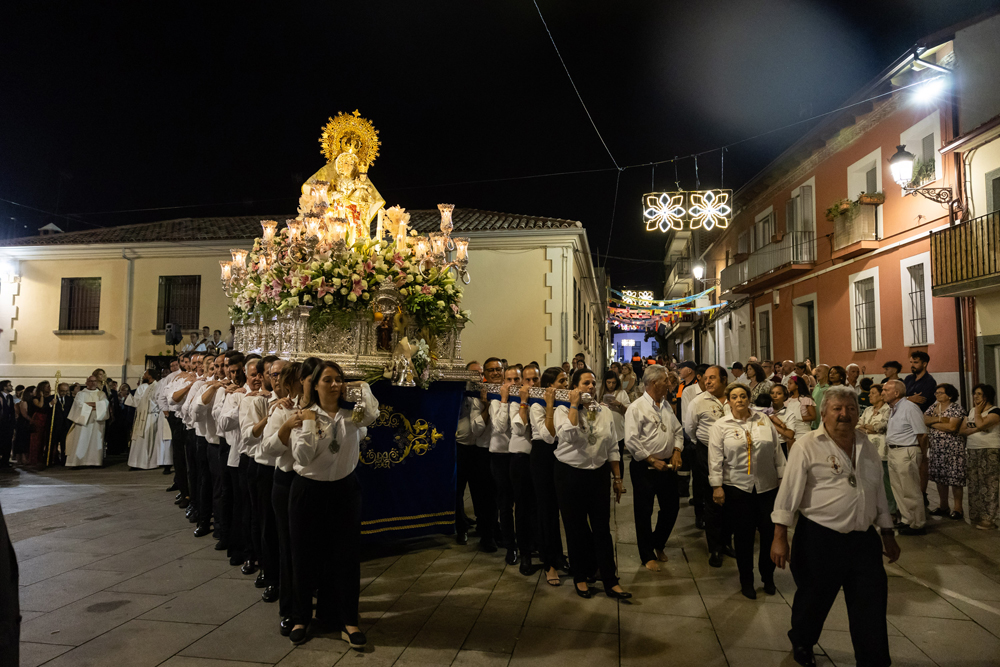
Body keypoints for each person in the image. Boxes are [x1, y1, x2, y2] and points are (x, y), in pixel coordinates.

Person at [771, 385, 899, 667]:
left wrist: (887, 532)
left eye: (850, 409)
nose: (844, 414)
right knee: (813, 598)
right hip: (819, 538)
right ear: (824, 414)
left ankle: (873, 659)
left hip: (863, 540)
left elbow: (877, 491)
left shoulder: (866, 444)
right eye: (837, 409)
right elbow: (788, 492)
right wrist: (780, 535)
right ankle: (803, 640)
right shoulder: (807, 445)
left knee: (871, 604)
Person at [287, 360, 379, 647]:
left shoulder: (353, 415)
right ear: (315, 385)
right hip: (308, 491)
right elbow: (302, 458)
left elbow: (372, 415)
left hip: (344, 491)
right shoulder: (305, 415)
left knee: (346, 557)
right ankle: (301, 617)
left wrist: (361, 387)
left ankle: (348, 620)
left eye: (339, 379)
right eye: (328, 380)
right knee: (304, 555)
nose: (335, 384)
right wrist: (310, 423)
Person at [553, 368, 631, 600]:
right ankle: (580, 576)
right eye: (585, 383)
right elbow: (570, 435)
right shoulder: (562, 410)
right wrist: (575, 406)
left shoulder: (604, 412)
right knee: (575, 528)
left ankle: (610, 580)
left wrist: (617, 478)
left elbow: (612, 447)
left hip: (597, 475)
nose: (590, 387)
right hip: (570, 474)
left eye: (592, 383)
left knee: (602, 529)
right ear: (574, 388)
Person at [711, 382, 784, 599]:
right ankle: (746, 580)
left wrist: (783, 479)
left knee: (769, 534)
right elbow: (715, 458)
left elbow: (777, 452)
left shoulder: (763, 420)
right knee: (744, 537)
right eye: (734, 397)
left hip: (767, 486)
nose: (739, 400)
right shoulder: (721, 425)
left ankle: (768, 576)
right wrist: (717, 486)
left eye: (743, 396)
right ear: (729, 401)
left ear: (749, 398)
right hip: (738, 487)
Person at [624, 364, 683, 572]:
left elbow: (677, 430)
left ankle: (658, 542)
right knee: (644, 511)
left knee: (671, 508)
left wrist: (676, 450)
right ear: (654, 383)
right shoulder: (637, 408)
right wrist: (650, 459)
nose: (669, 384)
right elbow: (631, 440)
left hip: (666, 466)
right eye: (666, 380)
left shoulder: (665, 405)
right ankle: (646, 554)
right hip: (644, 468)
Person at [259, 359, 300, 635]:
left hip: (312, 483)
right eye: (301, 381)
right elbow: (268, 448)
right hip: (287, 481)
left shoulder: (319, 409)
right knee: (289, 549)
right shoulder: (282, 410)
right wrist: (287, 427)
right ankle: (291, 609)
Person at [685, 365, 733, 566]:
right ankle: (714, 548)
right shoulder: (698, 402)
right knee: (712, 500)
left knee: (730, 500)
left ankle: (727, 542)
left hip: (733, 455)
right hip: (707, 452)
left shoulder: (734, 398)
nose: (708, 382)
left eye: (712, 378)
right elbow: (690, 429)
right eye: (706, 378)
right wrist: (707, 445)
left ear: (724, 379)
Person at [530, 366, 569, 585]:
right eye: (561, 381)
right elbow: (548, 436)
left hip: (561, 456)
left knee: (562, 510)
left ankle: (559, 556)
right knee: (547, 511)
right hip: (543, 457)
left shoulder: (566, 404)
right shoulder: (538, 405)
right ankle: (549, 564)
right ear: (549, 386)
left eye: (567, 381)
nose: (566, 385)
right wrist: (551, 407)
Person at [883, 379, 928, 535]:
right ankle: (907, 519)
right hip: (894, 451)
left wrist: (922, 455)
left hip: (907, 450)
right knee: (898, 489)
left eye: (886, 390)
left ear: (897, 393)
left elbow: (922, 434)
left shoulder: (910, 408)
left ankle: (917, 523)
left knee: (910, 489)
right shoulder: (893, 409)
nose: (883, 393)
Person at [510, 366, 541, 575]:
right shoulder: (515, 401)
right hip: (520, 458)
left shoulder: (546, 400)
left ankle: (540, 545)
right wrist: (524, 402)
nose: (531, 384)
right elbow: (519, 429)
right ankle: (525, 554)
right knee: (522, 507)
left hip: (539, 458)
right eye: (527, 380)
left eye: (535, 379)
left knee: (539, 507)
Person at [490, 363, 520, 565]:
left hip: (518, 455)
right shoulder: (495, 400)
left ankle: (528, 541)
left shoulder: (524, 399)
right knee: (505, 504)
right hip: (500, 455)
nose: (512, 384)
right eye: (508, 380)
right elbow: (500, 427)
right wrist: (504, 401)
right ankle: (511, 545)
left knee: (524, 503)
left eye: (516, 379)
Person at [960, 384, 1000, 530]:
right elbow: (962, 430)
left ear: (986, 396)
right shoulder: (971, 411)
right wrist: (976, 426)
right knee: (974, 483)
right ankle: (976, 514)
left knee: (989, 484)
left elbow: (982, 424)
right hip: (972, 449)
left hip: (989, 450)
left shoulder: (995, 411)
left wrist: (977, 416)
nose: (975, 397)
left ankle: (989, 518)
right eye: (974, 394)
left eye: (979, 394)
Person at [924, 384, 966, 521]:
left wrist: (933, 423)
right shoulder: (933, 407)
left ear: (949, 395)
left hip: (953, 448)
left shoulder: (956, 408)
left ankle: (958, 508)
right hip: (937, 449)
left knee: (955, 478)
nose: (937, 395)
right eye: (936, 393)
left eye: (940, 393)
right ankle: (943, 506)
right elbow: (924, 420)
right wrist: (940, 420)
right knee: (940, 477)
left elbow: (952, 427)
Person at [859, 384, 896, 520]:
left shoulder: (888, 410)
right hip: (867, 450)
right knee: (870, 481)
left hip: (882, 451)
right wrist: (869, 428)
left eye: (873, 393)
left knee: (886, 482)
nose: (869, 395)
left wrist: (868, 428)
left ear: (881, 395)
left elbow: (882, 426)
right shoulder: (868, 410)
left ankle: (891, 509)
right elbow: (858, 425)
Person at [64, 377, 110, 467]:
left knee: (95, 441)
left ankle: (94, 462)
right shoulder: (80, 394)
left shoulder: (101, 393)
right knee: (81, 441)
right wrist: (96, 405)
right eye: (90, 381)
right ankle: (78, 462)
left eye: (94, 381)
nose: (93, 383)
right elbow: (79, 405)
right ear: (86, 382)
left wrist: (89, 405)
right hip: (83, 422)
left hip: (97, 422)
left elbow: (104, 404)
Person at [126, 370, 162, 470]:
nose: (143, 376)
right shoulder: (149, 387)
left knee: (147, 440)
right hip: (143, 416)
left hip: (150, 417)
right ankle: (137, 462)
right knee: (139, 441)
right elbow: (140, 401)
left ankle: (148, 463)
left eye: (145, 374)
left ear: (150, 376)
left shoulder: (157, 386)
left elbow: (157, 401)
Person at [597, 370, 631, 459]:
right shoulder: (599, 393)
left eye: (613, 383)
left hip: (618, 431)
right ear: (605, 382)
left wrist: (619, 404)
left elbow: (629, 411)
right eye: (609, 382)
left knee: (618, 458)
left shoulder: (622, 393)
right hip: (602, 430)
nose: (611, 385)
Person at [768, 384, 802, 456]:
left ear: (785, 396)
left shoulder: (789, 414)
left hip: (781, 445)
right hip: (766, 444)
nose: (774, 396)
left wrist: (772, 424)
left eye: (779, 393)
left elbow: (790, 434)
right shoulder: (764, 410)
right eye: (772, 393)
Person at [28, 381, 53, 466]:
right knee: (37, 439)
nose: (49, 388)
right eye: (47, 386)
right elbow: (41, 406)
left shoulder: (51, 397)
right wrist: (42, 397)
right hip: (39, 418)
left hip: (47, 418)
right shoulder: (36, 398)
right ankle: (34, 458)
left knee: (45, 438)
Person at [12, 387, 32, 465]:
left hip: (23, 423)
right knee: (22, 440)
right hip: (23, 423)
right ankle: (22, 458)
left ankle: (21, 458)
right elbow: (24, 414)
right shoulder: (23, 402)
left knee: (22, 440)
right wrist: (32, 420)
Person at [0, 381, 15, 468]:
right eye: (9, 385)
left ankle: (5, 460)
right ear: (4, 387)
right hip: (2, 423)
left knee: (8, 442)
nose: (11, 387)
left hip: (8, 423)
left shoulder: (10, 397)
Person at [810, 365, 830, 429]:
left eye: (819, 371)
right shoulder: (816, 386)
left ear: (826, 373)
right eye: (816, 371)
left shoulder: (830, 388)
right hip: (814, 423)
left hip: (824, 424)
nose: (816, 373)